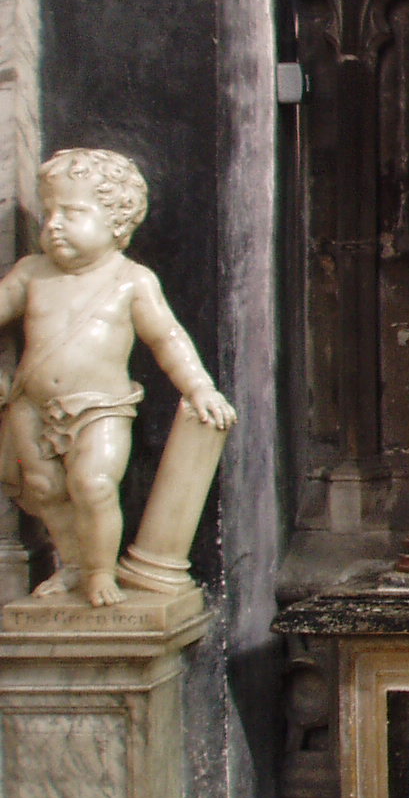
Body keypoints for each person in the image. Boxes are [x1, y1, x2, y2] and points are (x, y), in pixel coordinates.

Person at [0, 150, 236, 604]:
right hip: (31, 404)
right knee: (46, 489)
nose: (53, 223)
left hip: (101, 405)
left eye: (72, 212)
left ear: (116, 221)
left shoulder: (131, 280)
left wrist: (200, 387)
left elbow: (168, 338)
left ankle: (99, 571)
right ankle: (71, 564)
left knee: (93, 484)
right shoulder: (31, 273)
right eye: (49, 212)